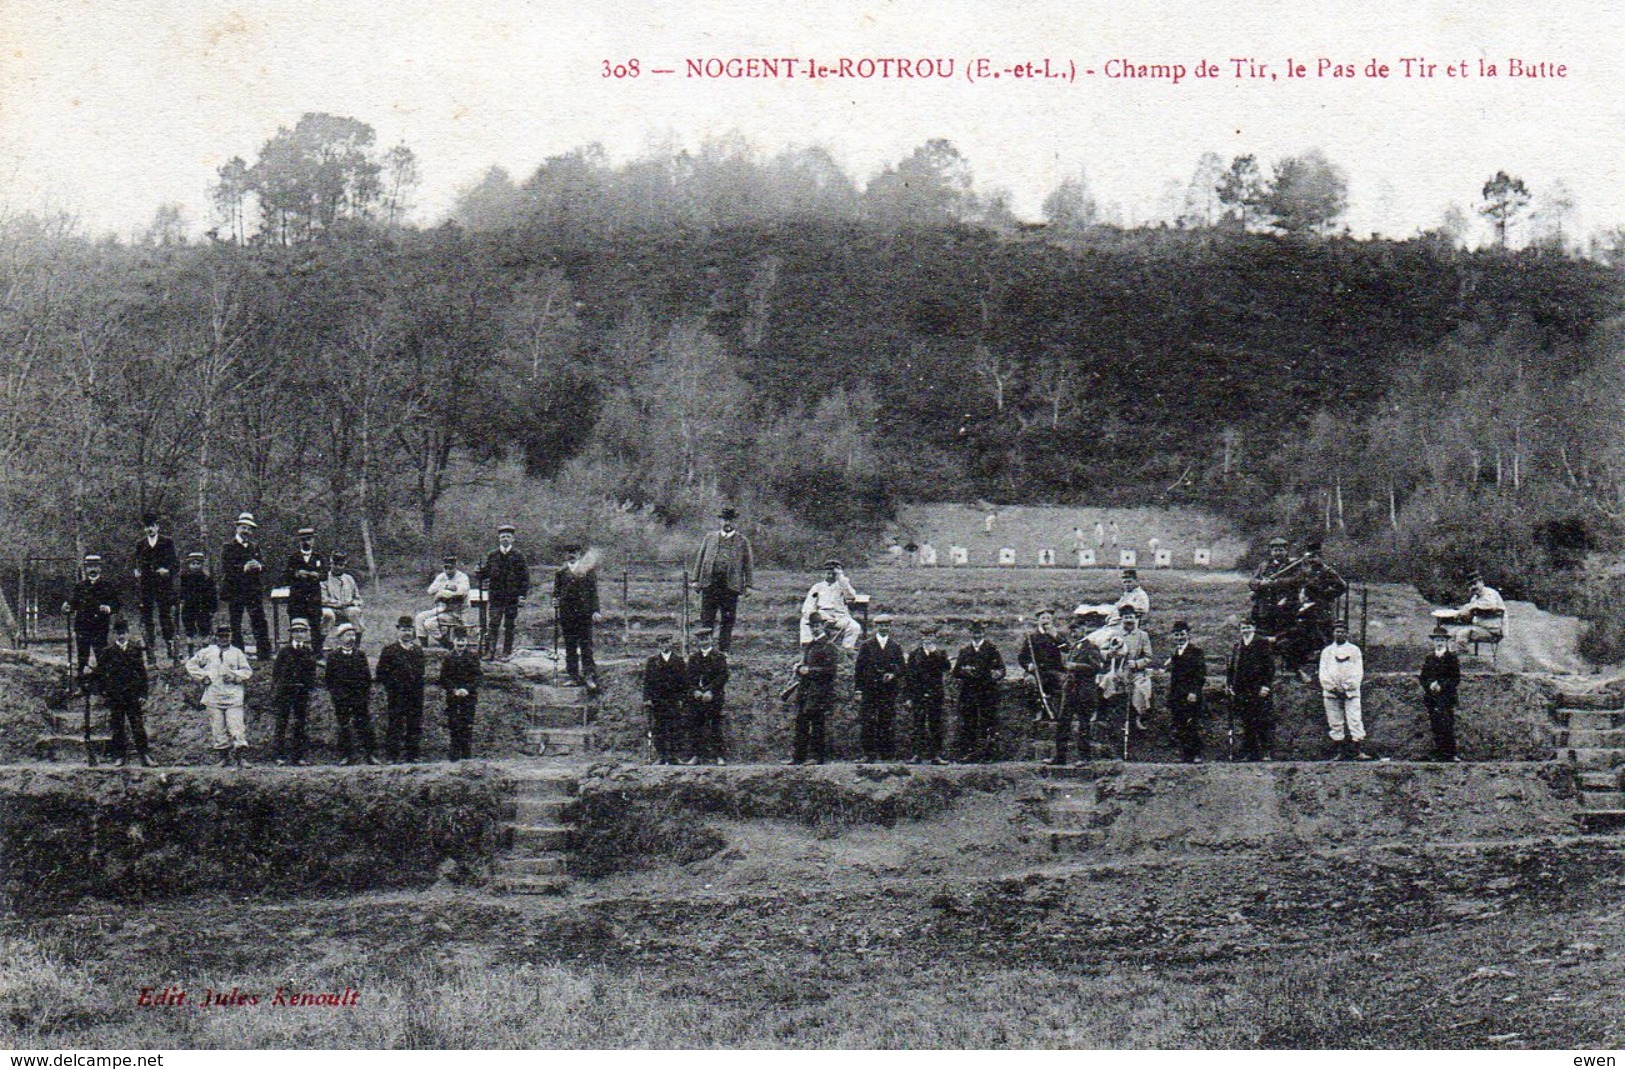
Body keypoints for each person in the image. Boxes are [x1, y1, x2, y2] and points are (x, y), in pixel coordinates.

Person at [186, 621, 253, 767]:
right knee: (218, 729)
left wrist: (235, 675)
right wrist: (202, 676)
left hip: (233, 695)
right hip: (214, 695)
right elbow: (190, 664)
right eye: (221, 636)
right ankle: (223, 757)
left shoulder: (237, 653)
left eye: (227, 636)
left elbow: (247, 672)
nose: (224, 639)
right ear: (216, 637)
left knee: (236, 727)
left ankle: (240, 758)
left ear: (231, 636)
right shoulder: (208, 652)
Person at [691, 506, 754, 652]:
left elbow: (748, 564)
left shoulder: (742, 541)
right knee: (707, 618)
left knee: (728, 619)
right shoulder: (710, 538)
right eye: (725, 520)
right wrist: (695, 579)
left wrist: (748, 585)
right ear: (720, 521)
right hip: (709, 584)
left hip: (730, 586)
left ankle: (723, 651)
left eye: (731, 520)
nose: (727, 523)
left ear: (735, 522)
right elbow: (700, 559)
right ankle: (706, 650)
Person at [1291, 541, 1349, 683]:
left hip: (1322, 609)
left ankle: (1330, 670)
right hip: (1307, 608)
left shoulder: (1327, 571)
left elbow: (1342, 586)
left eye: (1315, 557)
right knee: (1308, 636)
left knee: (1325, 637)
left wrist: (1324, 595)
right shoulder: (1306, 572)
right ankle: (1310, 667)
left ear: (1320, 557)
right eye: (1310, 557)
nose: (1312, 560)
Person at [99, 618, 152, 767]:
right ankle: (120, 756)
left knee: (137, 725)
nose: (121, 636)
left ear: (128, 633)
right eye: (118, 633)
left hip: (132, 695)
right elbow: (102, 674)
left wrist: (143, 694)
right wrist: (105, 692)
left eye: (123, 633)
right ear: (114, 634)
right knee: (118, 726)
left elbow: (142, 673)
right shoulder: (108, 652)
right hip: (116, 695)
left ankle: (144, 755)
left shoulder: (135, 650)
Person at [854, 613, 907, 761]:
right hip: (870, 689)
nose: (884, 628)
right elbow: (859, 669)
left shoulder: (895, 646)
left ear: (890, 627)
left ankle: (887, 754)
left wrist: (893, 674)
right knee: (868, 720)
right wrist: (858, 689)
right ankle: (868, 754)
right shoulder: (866, 646)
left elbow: (902, 667)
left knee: (887, 720)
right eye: (881, 625)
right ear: (876, 627)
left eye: (886, 625)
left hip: (888, 690)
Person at [220, 512, 272, 661]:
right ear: (237, 528)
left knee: (259, 621)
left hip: (253, 590)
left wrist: (259, 566)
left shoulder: (254, 547)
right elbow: (226, 568)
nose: (246, 532)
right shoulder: (228, 547)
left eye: (249, 529)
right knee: (235, 623)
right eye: (243, 528)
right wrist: (244, 568)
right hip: (235, 590)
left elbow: (263, 564)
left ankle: (264, 654)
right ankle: (237, 654)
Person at [1054, 617, 1105, 765]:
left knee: (1084, 724)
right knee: (1063, 723)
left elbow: (1097, 667)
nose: (1074, 633)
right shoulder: (1073, 648)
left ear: (1084, 630)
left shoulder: (1090, 647)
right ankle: (1060, 757)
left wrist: (1076, 666)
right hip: (1070, 690)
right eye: (1072, 631)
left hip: (1084, 690)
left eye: (1076, 630)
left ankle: (1084, 757)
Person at [952, 620, 1005, 763]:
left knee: (988, 722)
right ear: (970, 633)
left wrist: (997, 674)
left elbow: (1001, 669)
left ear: (984, 633)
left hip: (987, 692)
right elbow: (956, 671)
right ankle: (969, 753)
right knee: (969, 723)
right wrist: (965, 670)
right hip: (969, 692)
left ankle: (988, 755)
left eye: (980, 632)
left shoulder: (992, 649)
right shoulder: (964, 651)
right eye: (974, 632)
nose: (977, 635)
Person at [131, 513, 180, 665]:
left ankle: (170, 645)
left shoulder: (167, 542)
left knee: (165, 616)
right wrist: (136, 571)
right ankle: (150, 648)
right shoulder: (140, 544)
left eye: (152, 526)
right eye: (147, 527)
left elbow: (176, 564)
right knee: (147, 618)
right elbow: (134, 562)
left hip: (163, 585)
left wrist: (168, 571)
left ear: (157, 527)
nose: (149, 529)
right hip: (146, 586)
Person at [790, 615, 839, 764]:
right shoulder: (810, 645)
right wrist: (798, 668)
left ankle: (816, 757)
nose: (814, 628)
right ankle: (799, 757)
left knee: (817, 724)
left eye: (817, 625)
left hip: (819, 691)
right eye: (812, 626)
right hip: (805, 690)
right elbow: (804, 664)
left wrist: (809, 671)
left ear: (823, 626)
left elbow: (831, 670)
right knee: (801, 723)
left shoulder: (829, 646)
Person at [377, 615, 427, 763]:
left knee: (414, 723)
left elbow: (421, 672)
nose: (407, 633)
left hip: (415, 694)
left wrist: (418, 688)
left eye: (410, 630)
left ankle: (412, 754)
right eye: (404, 630)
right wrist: (392, 687)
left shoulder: (417, 650)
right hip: (397, 693)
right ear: (398, 631)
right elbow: (381, 673)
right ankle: (392, 755)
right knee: (395, 723)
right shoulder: (389, 650)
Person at [324, 622, 376, 765]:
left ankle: (370, 755)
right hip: (341, 698)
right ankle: (345, 756)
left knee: (364, 725)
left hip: (359, 697)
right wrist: (337, 695)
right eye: (347, 635)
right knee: (344, 726)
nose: (351, 638)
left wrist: (364, 694)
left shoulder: (360, 655)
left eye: (353, 635)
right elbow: (329, 679)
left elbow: (366, 677)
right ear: (340, 638)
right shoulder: (334, 656)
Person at [64, 553, 119, 685]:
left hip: (99, 627)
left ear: (100, 568)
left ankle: (104, 686)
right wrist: (67, 607)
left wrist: (109, 607)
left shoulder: (107, 586)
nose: (92, 570)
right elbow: (73, 603)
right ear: (85, 569)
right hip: (82, 627)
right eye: (89, 567)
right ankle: (81, 685)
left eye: (95, 566)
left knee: (102, 656)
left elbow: (116, 604)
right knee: (82, 657)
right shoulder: (81, 586)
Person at [1319, 621, 1371, 760]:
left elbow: (1357, 671)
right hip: (1332, 692)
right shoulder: (1327, 652)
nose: (1339, 634)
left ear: (1347, 633)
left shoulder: (1354, 650)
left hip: (1350, 693)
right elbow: (1323, 673)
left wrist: (1347, 687)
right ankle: (1339, 752)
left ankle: (1357, 751)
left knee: (1354, 719)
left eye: (1342, 631)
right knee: (1335, 721)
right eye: (1337, 631)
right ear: (1333, 633)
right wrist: (1333, 687)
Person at [271, 617, 319, 766]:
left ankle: (298, 756)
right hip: (286, 692)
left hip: (301, 693)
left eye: (302, 631)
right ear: (291, 634)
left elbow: (311, 672)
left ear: (306, 634)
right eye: (296, 631)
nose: (299, 634)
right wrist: (277, 690)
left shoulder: (308, 651)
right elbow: (276, 673)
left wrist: (308, 687)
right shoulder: (284, 651)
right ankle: (279, 756)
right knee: (282, 723)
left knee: (300, 724)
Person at [1225, 621, 1276, 761]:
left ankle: (1266, 751)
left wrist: (1266, 685)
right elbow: (1232, 667)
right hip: (1242, 689)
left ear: (1253, 628)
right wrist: (1230, 685)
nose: (1245, 630)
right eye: (1243, 627)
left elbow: (1269, 666)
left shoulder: (1262, 643)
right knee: (1247, 721)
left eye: (1248, 627)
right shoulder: (1238, 646)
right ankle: (1250, 752)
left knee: (1262, 720)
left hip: (1258, 688)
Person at [554, 544, 601, 691]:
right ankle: (573, 676)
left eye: (575, 552)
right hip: (567, 615)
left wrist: (595, 610)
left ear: (579, 554)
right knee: (570, 647)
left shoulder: (587, 570)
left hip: (584, 614)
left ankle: (589, 675)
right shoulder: (561, 573)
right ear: (566, 555)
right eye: (569, 553)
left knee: (586, 646)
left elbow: (593, 592)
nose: (572, 555)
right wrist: (555, 600)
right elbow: (556, 592)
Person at [480, 525, 529, 660]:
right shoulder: (493, 555)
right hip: (496, 596)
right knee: (493, 623)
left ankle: (507, 652)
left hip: (512, 597)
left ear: (513, 539)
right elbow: (486, 573)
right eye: (503, 537)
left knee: (509, 624)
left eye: (508, 536)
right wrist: (480, 571)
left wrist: (522, 596)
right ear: (499, 539)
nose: (505, 539)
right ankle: (490, 652)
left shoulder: (519, 556)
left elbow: (524, 578)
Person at [905, 622, 951, 764]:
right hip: (918, 693)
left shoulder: (940, 652)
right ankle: (917, 754)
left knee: (935, 724)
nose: (927, 639)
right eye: (925, 636)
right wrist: (909, 697)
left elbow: (946, 667)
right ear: (921, 637)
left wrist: (935, 653)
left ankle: (935, 755)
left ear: (935, 637)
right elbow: (909, 677)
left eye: (930, 636)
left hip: (935, 693)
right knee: (918, 724)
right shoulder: (915, 654)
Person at [642, 632, 689, 764]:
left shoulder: (678, 660)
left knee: (675, 727)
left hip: (673, 699)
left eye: (667, 642)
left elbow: (684, 681)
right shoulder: (653, 661)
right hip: (658, 700)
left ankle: (674, 756)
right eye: (662, 642)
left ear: (671, 643)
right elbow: (647, 682)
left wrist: (682, 698)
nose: (665, 645)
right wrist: (647, 698)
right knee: (659, 727)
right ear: (659, 645)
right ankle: (661, 756)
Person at [281, 528, 329, 656]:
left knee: (315, 627)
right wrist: (297, 573)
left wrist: (317, 575)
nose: (306, 542)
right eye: (303, 540)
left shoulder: (319, 557)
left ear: (313, 540)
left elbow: (325, 575)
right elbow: (285, 575)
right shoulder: (293, 557)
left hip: (314, 598)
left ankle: (317, 654)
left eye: (308, 539)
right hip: (297, 598)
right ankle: (293, 653)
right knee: (296, 625)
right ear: (299, 542)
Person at [686, 626, 729, 765]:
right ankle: (697, 756)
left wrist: (710, 691)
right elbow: (688, 677)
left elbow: (723, 676)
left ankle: (719, 756)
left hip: (714, 697)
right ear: (697, 641)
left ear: (711, 639)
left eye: (706, 639)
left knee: (715, 726)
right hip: (697, 697)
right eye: (701, 639)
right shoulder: (693, 658)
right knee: (696, 726)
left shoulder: (719, 657)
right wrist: (695, 691)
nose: (704, 642)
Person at [439, 626, 482, 761]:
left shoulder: (473, 657)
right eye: (458, 640)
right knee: (454, 724)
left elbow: (478, 677)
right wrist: (454, 690)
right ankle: (454, 755)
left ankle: (466, 755)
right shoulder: (448, 657)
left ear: (467, 641)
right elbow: (443, 677)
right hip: (453, 696)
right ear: (453, 641)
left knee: (467, 724)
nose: (461, 643)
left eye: (463, 640)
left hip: (469, 696)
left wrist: (466, 689)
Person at [1166, 620, 1206, 763]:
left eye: (1182, 634)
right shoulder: (1175, 653)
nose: (1179, 638)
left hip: (1191, 694)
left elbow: (1200, 674)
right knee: (1180, 724)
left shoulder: (1196, 652)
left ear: (1188, 635)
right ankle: (1185, 754)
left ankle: (1196, 754)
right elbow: (1174, 677)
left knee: (1192, 724)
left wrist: (1194, 692)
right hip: (1178, 694)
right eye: (1176, 635)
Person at [1017, 608, 1066, 724]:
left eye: (1048, 618)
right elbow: (1022, 657)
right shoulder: (1032, 637)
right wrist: (1028, 665)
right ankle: (1038, 710)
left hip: (1053, 670)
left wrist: (1055, 636)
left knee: (1063, 683)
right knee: (1031, 683)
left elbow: (1066, 648)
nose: (1046, 621)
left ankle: (1060, 712)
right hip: (1036, 671)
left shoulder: (1056, 635)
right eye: (1043, 618)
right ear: (1038, 621)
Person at [1421, 626, 1462, 762]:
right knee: (1435, 725)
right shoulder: (1429, 658)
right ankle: (1439, 752)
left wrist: (1441, 685)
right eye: (1437, 640)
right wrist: (1430, 684)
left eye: (1442, 640)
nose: (1439, 643)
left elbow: (1455, 678)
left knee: (1447, 723)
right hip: (1432, 697)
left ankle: (1450, 753)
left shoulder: (1451, 658)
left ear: (1446, 642)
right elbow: (1423, 677)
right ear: (1433, 642)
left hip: (1446, 697)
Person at [800, 560, 862, 649]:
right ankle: (807, 650)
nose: (830, 576)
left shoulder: (843, 585)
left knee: (854, 627)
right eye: (828, 573)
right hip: (822, 616)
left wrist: (841, 577)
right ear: (823, 573)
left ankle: (846, 650)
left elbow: (851, 596)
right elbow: (808, 605)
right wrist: (816, 616)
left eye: (833, 574)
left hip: (840, 616)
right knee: (805, 621)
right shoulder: (818, 587)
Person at [416, 555, 471, 646]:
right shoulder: (441, 577)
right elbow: (430, 590)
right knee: (420, 617)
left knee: (429, 623)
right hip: (441, 609)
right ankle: (424, 646)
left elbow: (462, 593)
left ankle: (445, 643)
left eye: (451, 568)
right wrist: (444, 587)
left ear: (455, 567)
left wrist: (448, 592)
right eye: (446, 568)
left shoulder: (462, 577)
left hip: (457, 613)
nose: (448, 571)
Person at [1115, 605, 1154, 731]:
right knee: (1111, 685)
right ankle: (1115, 720)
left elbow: (1148, 657)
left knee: (1139, 689)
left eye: (1131, 617)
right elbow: (1107, 652)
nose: (1129, 621)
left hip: (1137, 672)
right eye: (1126, 618)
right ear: (1121, 619)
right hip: (1119, 670)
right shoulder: (1116, 635)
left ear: (1135, 619)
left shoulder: (1143, 636)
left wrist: (1137, 663)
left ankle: (1137, 718)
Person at [1248, 537, 1298, 636]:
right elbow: (1252, 582)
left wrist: (1273, 583)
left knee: (1284, 635)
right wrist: (1260, 583)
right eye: (1275, 550)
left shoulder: (1293, 565)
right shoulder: (1264, 566)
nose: (1278, 553)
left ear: (1286, 551)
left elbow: (1296, 580)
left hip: (1285, 607)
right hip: (1265, 608)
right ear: (1271, 552)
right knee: (1264, 634)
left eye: (1281, 550)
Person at [1448, 572, 1506, 651]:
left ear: (1482, 582)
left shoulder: (1489, 593)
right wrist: (1461, 613)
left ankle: (1465, 659)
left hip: (1492, 630)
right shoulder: (1475, 597)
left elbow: (1490, 606)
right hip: (1479, 628)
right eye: (1470, 585)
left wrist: (1471, 608)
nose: (1473, 587)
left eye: (1475, 583)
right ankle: (1452, 657)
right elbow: (1469, 611)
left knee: (1462, 634)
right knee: (1451, 633)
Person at [178, 551, 218, 656]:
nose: (195, 566)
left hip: (203, 607)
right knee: (189, 630)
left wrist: (213, 609)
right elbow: (180, 593)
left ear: (202, 565)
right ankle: (191, 654)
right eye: (193, 564)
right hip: (188, 607)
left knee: (205, 629)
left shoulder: (207, 578)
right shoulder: (184, 578)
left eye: (198, 564)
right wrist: (179, 602)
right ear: (188, 564)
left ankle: (205, 653)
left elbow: (212, 595)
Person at [320, 552, 365, 640]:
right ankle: (321, 642)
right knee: (328, 614)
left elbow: (357, 598)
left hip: (346, 609)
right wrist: (338, 603)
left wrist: (354, 602)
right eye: (335, 564)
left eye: (341, 565)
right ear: (331, 564)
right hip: (330, 607)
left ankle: (356, 642)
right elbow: (323, 599)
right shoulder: (324, 578)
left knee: (355, 611)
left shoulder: (349, 579)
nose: (338, 567)